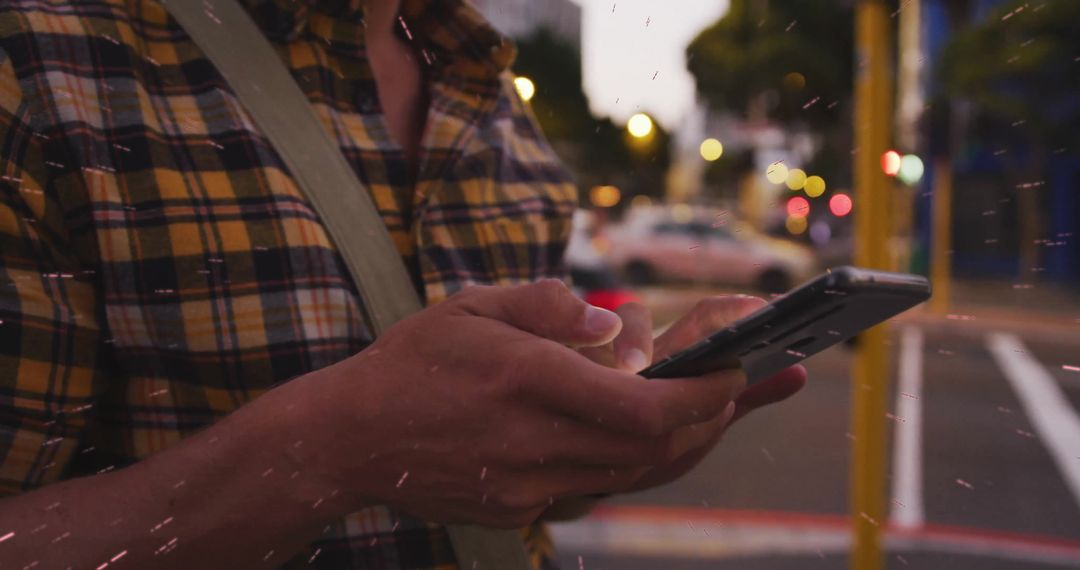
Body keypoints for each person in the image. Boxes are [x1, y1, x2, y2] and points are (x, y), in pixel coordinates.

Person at [0, 0, 806, 568]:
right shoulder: (40, 67)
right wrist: (323, 453)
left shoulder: (497, 115)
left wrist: (611, 444)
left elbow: (503, 484)